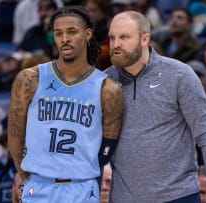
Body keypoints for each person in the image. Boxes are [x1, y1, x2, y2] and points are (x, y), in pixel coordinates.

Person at [106, 10, 206, 202]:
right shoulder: (105, 82)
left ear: (144, 39)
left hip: (178, 196)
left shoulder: (180, 75)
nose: (116, 44)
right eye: (112, 37)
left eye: (124, 37)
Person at [7, 6, 123, 203]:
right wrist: (28, 177)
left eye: (72, 32)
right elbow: (15, 136)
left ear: (87, 34)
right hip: (38, 185)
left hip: (83, 187)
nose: (64, 39)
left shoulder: (108, 89)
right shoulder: (29, 80)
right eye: (58, 33)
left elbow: (108, 147)